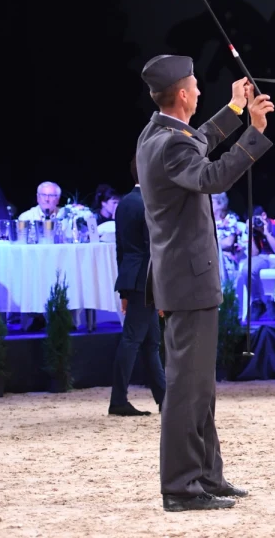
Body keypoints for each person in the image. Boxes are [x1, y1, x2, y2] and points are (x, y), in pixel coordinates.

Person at [136, 54, 273, 512]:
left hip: (182, 281)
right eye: (195, 86)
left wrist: (234, 111)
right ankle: (180, 487)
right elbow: (211, 175)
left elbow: (198, 142)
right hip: (188, 284)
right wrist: (254, 131)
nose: (198, 92)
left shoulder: (158, 133)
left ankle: (207, 476)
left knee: (200, 389)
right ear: (181, 95)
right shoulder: (170, 145)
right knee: (186, 391)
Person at [108, 158, 166, 417]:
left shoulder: (123, 204)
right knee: (133, 339)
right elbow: (155, 251)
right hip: (146, 279)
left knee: (150, 341)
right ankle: (118, 400)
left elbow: (121, 248)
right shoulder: (149, 203)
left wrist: (124, 290)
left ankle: (164, 399)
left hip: (133, 278)